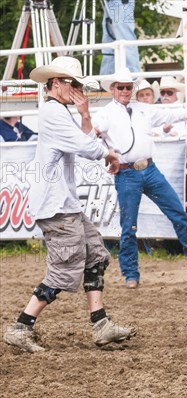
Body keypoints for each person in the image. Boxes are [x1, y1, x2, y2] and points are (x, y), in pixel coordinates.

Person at [3, 56, 136, 352]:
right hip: (56, 205)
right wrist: (109, 154)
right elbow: (85, 146)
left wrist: (85, 115)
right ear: (56, 83)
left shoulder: (58, 112)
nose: (76, 88)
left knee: (96, 256)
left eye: (77, 83)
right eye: (72, 83)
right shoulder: (53, 113)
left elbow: (82, 139)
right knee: (64, 269)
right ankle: (21, 327)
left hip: (62, 203)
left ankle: (101, 324)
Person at [93, 67, 187, 289]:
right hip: (127, 171)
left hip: (147, 168)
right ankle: (131, 272)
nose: (124, 90)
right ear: (113, 89)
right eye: (120, 87)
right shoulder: (105, 114)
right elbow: (93, 133)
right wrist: (106, 153)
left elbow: (170, 114)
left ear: (131, 89)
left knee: (177, 211)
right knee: (129, 225)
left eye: (127, 87)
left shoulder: (143, 109)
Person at [100, 0, 141, 75]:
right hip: (110, 3)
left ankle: (133, 78)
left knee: (125, 41)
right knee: (109, 46)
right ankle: (106, 81)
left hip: (120, 2)